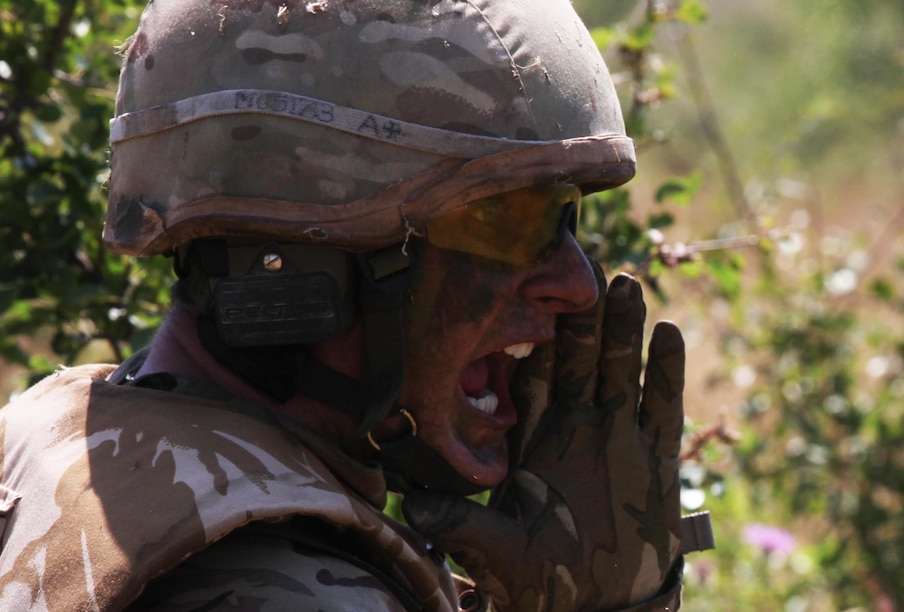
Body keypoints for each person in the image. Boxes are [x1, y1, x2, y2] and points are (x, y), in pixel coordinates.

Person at [0, 0, 712, 609]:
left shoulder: (42, 436)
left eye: (563, 216)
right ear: (301, 253)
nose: (579, 285)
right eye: (504, 219)